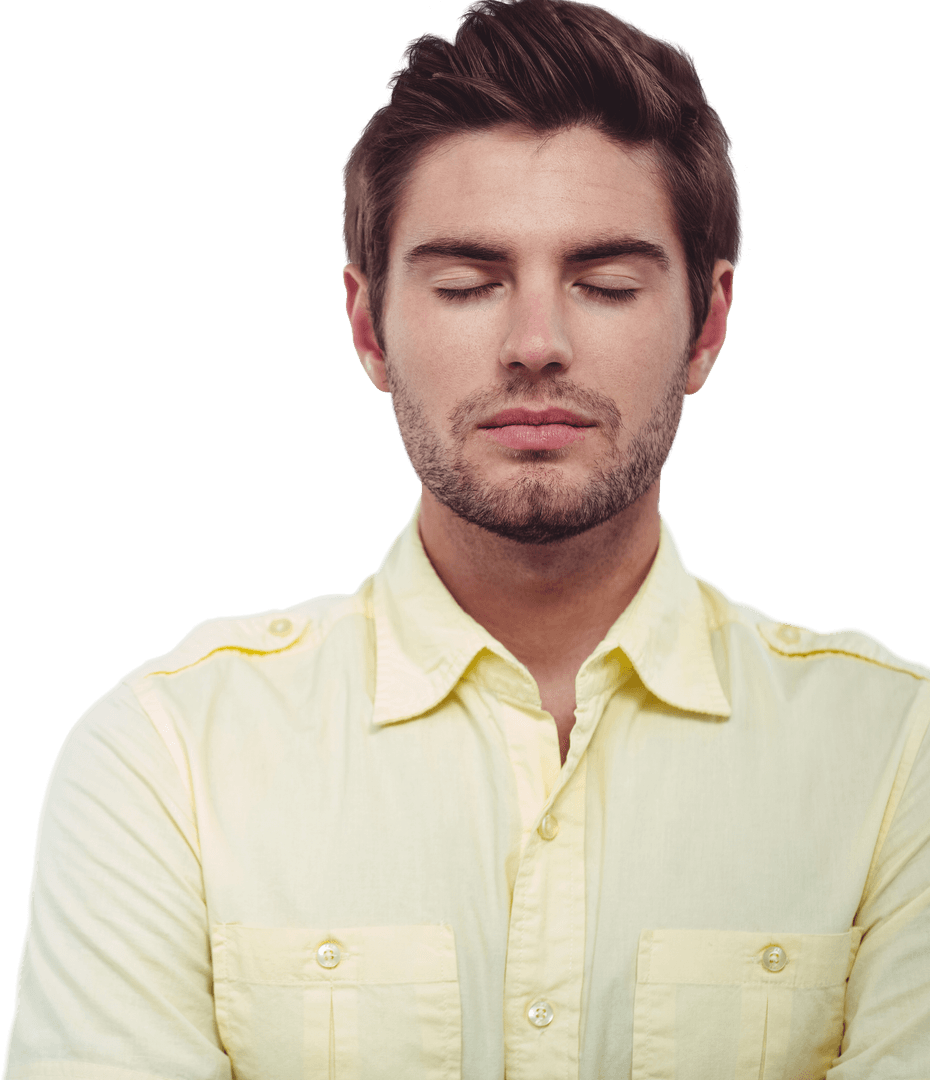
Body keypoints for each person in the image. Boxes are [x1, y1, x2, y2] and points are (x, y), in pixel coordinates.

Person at [4, 0, 928, 1076]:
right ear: (368, 327)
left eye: (607, 284)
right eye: (467, 284)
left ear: (708, 325)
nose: (536, 344)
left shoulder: (898, 758)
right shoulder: (166, 761)